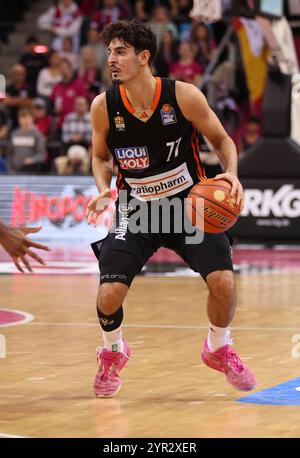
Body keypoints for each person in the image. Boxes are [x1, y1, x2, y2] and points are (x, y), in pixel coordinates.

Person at [86, 19, 256, 398]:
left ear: (143, 57)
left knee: (223, 283)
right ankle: (112, 352)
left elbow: (223, 140)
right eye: (110, 51)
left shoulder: (183, 96)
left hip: (188, 207)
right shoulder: (104, 106)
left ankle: (218, 347)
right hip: (136, 209)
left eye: (120, 52)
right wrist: (102, 189)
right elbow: (100, 158)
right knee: (109, 294)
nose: (111, 59)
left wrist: (231, 173)